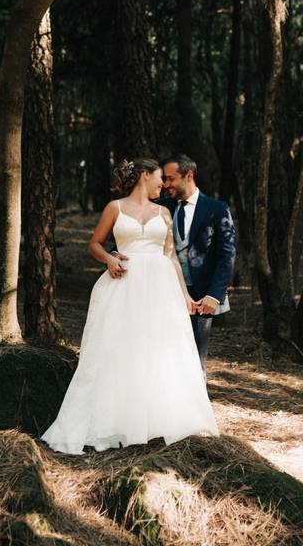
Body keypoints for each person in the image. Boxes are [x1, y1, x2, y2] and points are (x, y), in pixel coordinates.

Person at [40, 158, 219, 455]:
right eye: (160, 178)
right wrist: (109, 258)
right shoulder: (115, 208)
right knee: (119, 349)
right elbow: (94, 244)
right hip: (125, 285)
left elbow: (171, 256)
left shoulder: (163, 212)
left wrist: (185, 295)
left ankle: (155, 419)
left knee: (158, 350)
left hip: (160, 288)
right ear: (144, 176)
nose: (163, 184)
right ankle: (117, 420)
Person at [157, 155, 236, 376]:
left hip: (201, 297)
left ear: (188, 175)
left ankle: (195, 406)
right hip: (165, 291)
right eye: (163, 179)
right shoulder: (161, 208)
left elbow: (227, 255)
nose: (165, 184)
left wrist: (214, 295)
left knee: (195, 356)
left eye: (170, 178)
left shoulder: (216, 209)